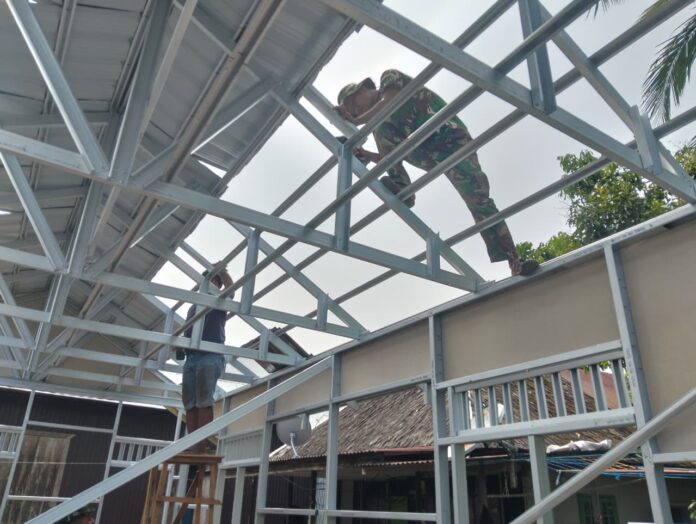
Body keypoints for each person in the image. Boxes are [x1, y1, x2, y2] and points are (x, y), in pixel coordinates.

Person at [336, 69, 539, 277]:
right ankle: (403, 188)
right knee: (380, 130)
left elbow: (391, 100)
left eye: (353, 103)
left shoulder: (389, 78)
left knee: (478, 199)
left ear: (365, 88)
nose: (355, 110)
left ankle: (514, 261)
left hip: (452, 139)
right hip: (427, 150)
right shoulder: (381, 125)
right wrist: (368, 155)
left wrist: (357, 121)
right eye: (352, 110)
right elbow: (391, 154)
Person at [180, 264, 233, 453]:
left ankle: (200, 447)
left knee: (203, 401)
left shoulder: (219, 300)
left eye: (212, 280)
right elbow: (188, 330)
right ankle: (193, 444)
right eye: (206, 280)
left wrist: (223, 271)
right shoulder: (193, 306)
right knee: (190, 404)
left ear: (217, 284)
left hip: (210, 355)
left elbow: (231, 291)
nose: (208, 283)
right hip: (192, 357)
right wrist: (181, 344)